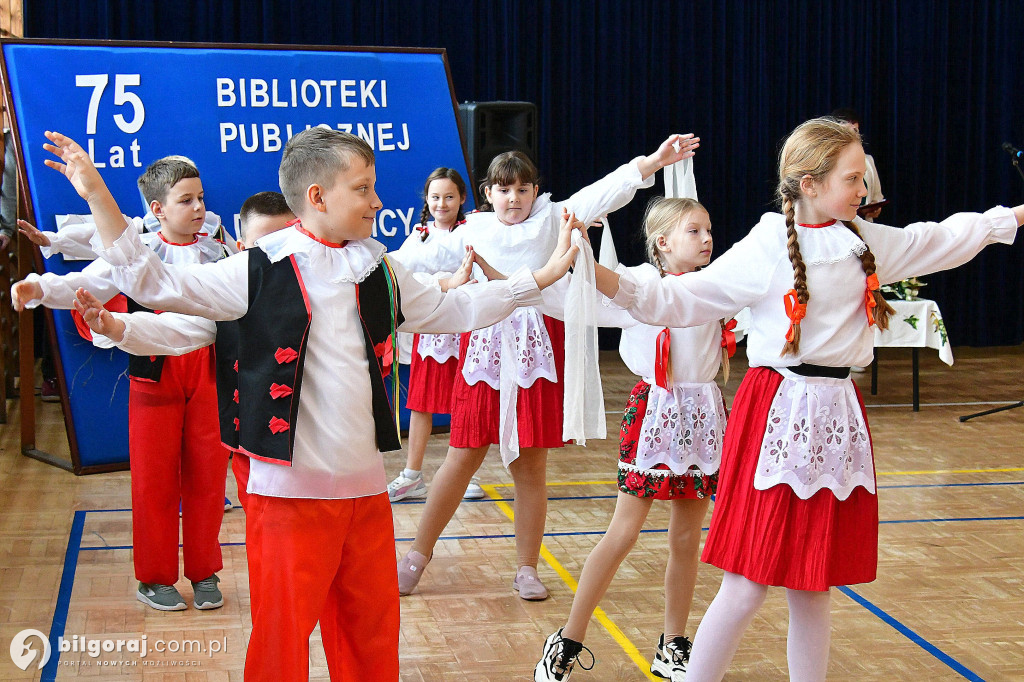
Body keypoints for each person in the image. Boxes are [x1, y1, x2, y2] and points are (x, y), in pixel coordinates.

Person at [37, 126, 582, 681]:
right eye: (364, 188)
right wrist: (97, 196)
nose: (378, 201)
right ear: (318, 197)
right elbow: (153, 285)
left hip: (366, 494)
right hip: (287, 498)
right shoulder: (255, 269)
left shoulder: (378, 266)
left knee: (370, 637)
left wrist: (537, 278)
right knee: (280, 641)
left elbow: (457, 308)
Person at [550, 116, 1023, 681]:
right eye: (852, 179)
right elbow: (682, 297)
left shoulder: (861, 239)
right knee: (747, 583)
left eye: (861, 179)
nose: (863, 191)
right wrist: (596, 273)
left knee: (812, 584)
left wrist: (1012, 218)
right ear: (810, 184)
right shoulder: (770, 244)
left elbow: (937, 240)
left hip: (837, 417)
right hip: (777, 413)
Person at [393, 134, 700, 601]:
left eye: (523, 189)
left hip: (538, 353)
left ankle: (526, 567)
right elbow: (409, 265)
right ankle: (416, 555)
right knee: (460, 456)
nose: (514, 198)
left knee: (530, 467)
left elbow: (607, 190)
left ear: (536, 191)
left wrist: (654, 161)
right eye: (504, 189)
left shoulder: (554, 218)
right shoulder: (470, 231)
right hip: (486, 351)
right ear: (487, 192)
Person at [12, 155, 233, 613]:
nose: (198, 208)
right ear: (157, 209)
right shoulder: (137, 253)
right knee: (153, 480)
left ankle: (205, 569)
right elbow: (83, 282)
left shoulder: (219, 246)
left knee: (209, 478)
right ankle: (153, 577)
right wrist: (39, 288)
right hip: (153, 370)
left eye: (201, 198)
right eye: (186, 200)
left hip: (209, 371)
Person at [534, 198, 734, 682]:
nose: (707, 238)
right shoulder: (645, 282)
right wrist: (579, 246)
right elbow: (605, 282)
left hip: (704, 415)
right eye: (694, 231)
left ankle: (673, 644)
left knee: (687, 539)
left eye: (709, 229)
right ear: (664, 243)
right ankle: (566, 640)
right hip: (657, 415)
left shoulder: (718, 286)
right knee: (623, 532)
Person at [75, 191, 297, 515]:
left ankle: (203, 563)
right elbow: (178, 329)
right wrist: (116, 327)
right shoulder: (228, 301)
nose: (274, 257)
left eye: (285, 243)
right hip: (260, 455)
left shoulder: (335, 292)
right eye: (262, 246)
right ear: (241, 251)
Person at [387, 167, 484, 501]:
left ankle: (463, 475)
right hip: (431, 332)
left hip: (465, 327)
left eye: (449, 196)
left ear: (461, 199)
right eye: (435, 197)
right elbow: (402, 270)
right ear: (427, 200)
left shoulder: (474, 231)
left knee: (465, 402)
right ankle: (412, 475)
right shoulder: (418, 235)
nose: (442, 203)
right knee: (420, 403)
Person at [831, 108, 885, 221]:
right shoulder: (828, 163)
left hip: (864, 229)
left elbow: (877, 196)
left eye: (855, 131)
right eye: (846, 131)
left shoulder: (868, 161)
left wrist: (874, 208)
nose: (852, 135)